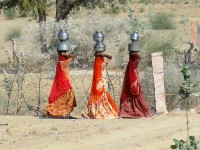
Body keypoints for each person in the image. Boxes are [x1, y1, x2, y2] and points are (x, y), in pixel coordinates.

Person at [82, 51, 119, 119]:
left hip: (103, 79)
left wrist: (105, 56)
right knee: (100, 93)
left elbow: (105, 63)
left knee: (103, 93)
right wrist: (106, 55)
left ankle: (101, 110)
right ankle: (99, 111)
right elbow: (97, 53)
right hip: (100, 80)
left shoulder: (101, 60)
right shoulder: (98, 58)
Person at [119, 52, 151, 119]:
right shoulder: (132, 65)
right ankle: (136, 112)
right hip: (133, 84)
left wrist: (133, 54)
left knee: (136, 97)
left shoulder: (132, 65)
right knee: (135, 96)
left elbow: (138, 58)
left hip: (134, 83)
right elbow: (138, 58)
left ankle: (134, 112)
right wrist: (134, 54)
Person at [46, 51, 77, 118]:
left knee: (62, 100)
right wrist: (66, 54)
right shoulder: (64, 63)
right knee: (68, 99)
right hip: (66, 84)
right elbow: (72, 57)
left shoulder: (59, 63)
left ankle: (63, 113)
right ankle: (65, 113)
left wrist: (62, 53)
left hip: (61, 84)